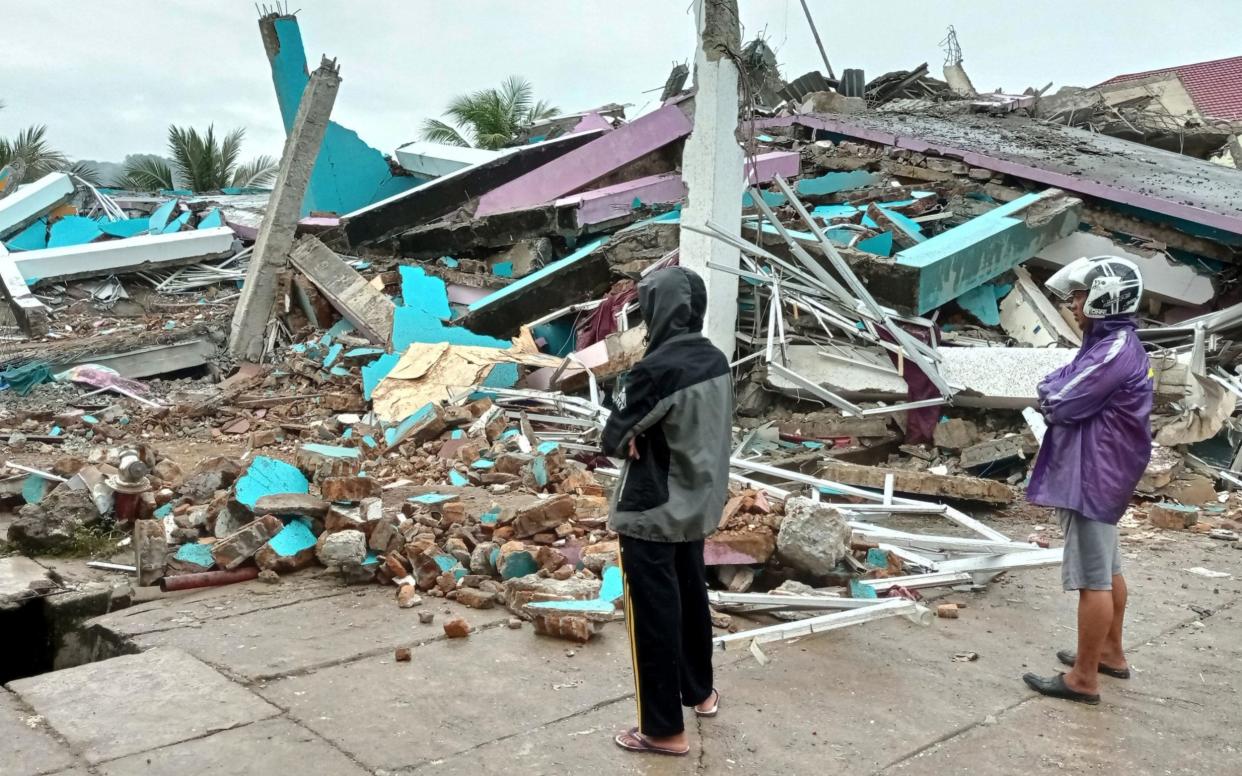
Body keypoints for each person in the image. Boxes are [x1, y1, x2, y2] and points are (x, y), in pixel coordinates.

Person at [599, 266, 733, 756]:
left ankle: (661, 729)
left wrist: (633, 432)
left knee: (653, 616)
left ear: (656, 310)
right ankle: (700, 692)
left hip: (652, 510)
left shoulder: (655, 369)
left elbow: (613, 436)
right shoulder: (715, 359)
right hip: (697, 502)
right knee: (690, 599)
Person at [1023, 255, 1153, 705]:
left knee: (1092, 578)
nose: (1074, 305)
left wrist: (1051, 395)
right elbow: (1062, 381)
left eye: (1079, 297)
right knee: (1110, 568)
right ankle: (1110, 653)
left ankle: (1083, 678)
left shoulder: (1113, 350)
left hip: (1094, 474)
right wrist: (1054, 390)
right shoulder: (1110, 343)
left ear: (1103, 298)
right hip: (1107, 469)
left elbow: (1060, 398)